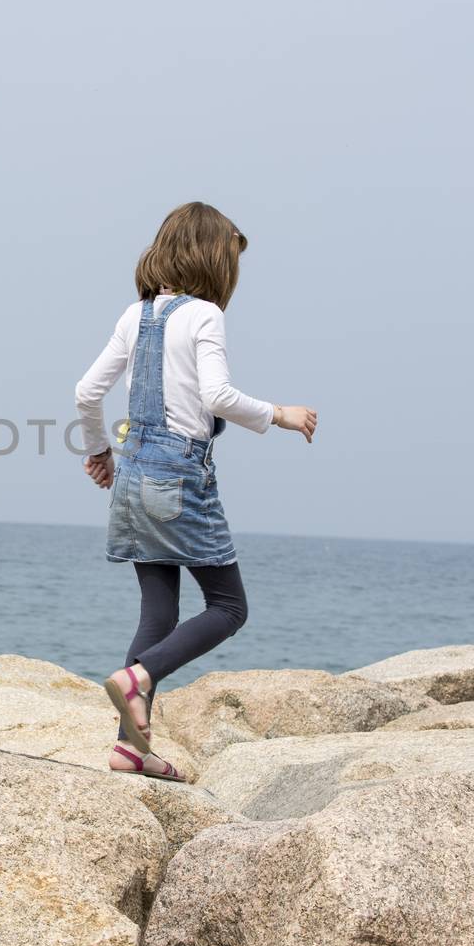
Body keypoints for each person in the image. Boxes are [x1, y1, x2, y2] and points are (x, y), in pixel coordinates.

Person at [74, 202, 317, 781]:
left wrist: (99, 452)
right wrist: (279, 414)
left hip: (132, 476)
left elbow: (86, 393)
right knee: (229, 607)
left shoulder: (136, 316)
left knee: (158, 612)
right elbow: (218, 398)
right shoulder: (205, 315)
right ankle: (141, 676)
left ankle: (130, 747)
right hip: (180, 478)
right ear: (214, 260)